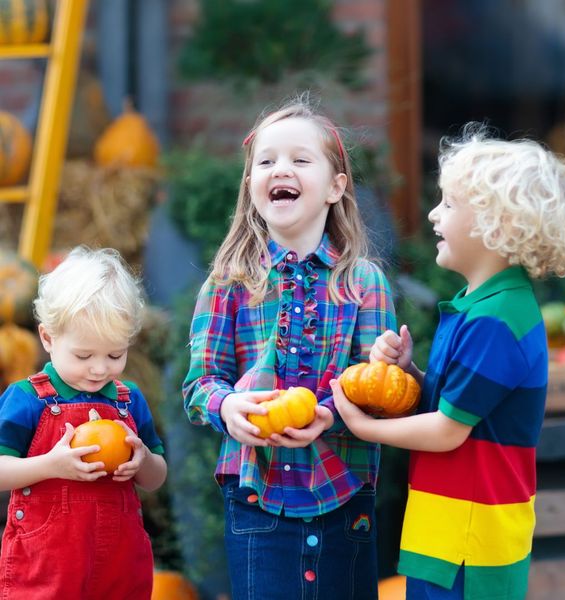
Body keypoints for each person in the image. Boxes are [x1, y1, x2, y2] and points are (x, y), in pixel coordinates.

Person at [331, 124, 565, 600]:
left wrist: (361, 425)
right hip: (452, 527)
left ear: (501, 224)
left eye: (449, 204)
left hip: (471, 542)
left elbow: (449, 430)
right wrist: (412, 378)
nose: (433, 214)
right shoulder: (480, 306)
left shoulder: (497, 320)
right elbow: (463, 405)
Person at [182, 95, 397, 599]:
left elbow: (377, 390)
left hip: (345, 494)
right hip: (256, 496)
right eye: (267, 161)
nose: (282, 168)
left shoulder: (364, 283)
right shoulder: (229, 283)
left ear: (335, 187)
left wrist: (329, 412)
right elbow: (198, 385)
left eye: (300, 160)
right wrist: (227, 404)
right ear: (251, 184)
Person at [0, 246, 167, 600]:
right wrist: (52, 465)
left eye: (114, 354)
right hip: (47, 571)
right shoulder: (27, 399)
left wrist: (143, 462)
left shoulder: (128, 399)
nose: (99, 368)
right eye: (83, 355)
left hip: (117, 569)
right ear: (48, 338)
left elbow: (156, 479)